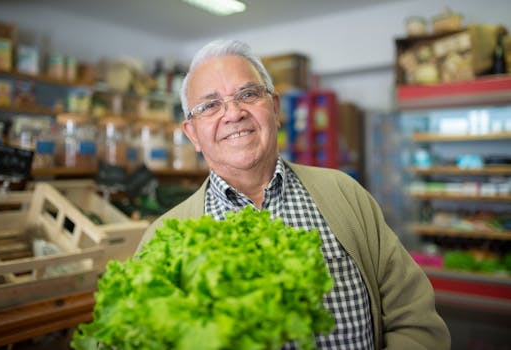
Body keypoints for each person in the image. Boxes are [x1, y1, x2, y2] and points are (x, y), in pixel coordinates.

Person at [137, 39, 451, 350]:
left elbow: (414, 318)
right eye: (210, 105)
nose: (233, 114)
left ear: (274, 108)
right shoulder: (162, 238)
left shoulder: (345, 194)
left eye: (248, 94)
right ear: (192, 133)